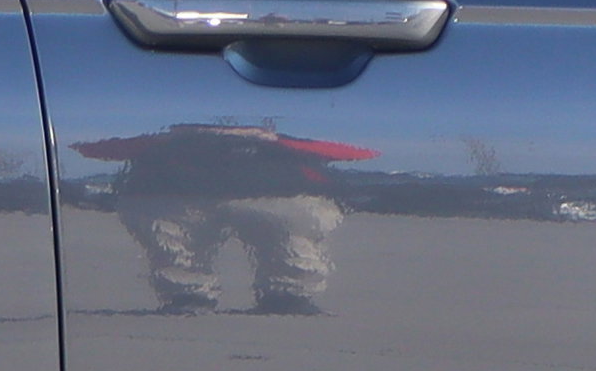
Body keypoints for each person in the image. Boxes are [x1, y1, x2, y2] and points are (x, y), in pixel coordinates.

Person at [71, 118, 373, 315]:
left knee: (170, 231)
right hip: (243, 196)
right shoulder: (288, 149)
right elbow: (351, 155)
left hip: (189, 195)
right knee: (289, 229)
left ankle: (192, 293)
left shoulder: (159, 147)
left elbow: (101, 150)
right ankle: (286, 292)